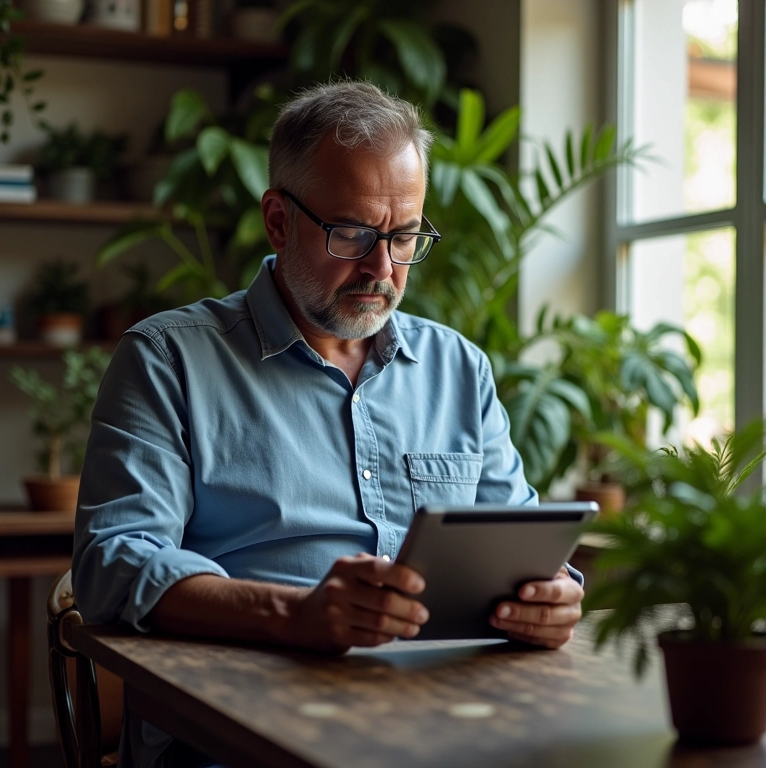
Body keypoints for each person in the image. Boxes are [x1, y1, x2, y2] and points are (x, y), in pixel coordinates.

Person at [72, 80, 585, 768]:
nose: (382, 268)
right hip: (237, 734)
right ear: (279, 222)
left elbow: (522, 542)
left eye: (404, 237)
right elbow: (113, 562)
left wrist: (552, 595)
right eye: (353, 234)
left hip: (447, 725)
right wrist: (298, 616)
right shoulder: (169, 358)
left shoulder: (459, 369)